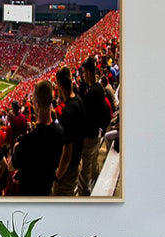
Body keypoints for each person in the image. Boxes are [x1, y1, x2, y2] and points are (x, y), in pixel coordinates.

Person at [9, 80, 64, 196]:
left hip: (29, 197)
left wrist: (15, 149)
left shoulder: (26, 142)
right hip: (47, 191)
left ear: (36, 104)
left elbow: (11, 166)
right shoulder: (60, 132)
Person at [78, 57, 110, 196]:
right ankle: (96, 182)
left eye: (84, 73)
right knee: (94, 163)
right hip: (96, 134)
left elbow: (84, 115)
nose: (83, 76)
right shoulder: (98, 89)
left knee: (84, 173)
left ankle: (85, 198)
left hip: (89, 136)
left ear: (90, 72)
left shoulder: (92, 92)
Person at [52, 66, 86, 196]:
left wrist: (58, 175)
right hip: (77, 161)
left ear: (59, 85)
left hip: (68, 170)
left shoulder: (67, 112)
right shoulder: (79, 100)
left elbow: (67, 152)